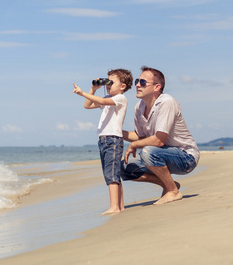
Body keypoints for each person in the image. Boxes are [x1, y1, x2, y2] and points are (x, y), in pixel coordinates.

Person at [121, 66, 199, 205]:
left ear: (157, 87)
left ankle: (173, 191)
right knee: (124, 168)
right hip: (160, 155)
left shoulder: (166, 102)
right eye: (137, 81)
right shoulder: (139, 107)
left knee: (147, 151)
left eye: (143, 82)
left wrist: (134, 145)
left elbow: (158, 140)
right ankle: (170, 184)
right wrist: (117, 132)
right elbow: (140, 136)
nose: (138, 85)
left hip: (185, 157)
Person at [73, 69, 133, 214]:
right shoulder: (108, 97)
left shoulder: (120, 99)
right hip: (104, 139)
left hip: (113, 139)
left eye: (111, 82)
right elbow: (87, 105)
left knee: (111, 175)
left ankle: (114, 207)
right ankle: (120, 206)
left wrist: (82, 93)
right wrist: (93, 89)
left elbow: (102, 101)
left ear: (122, 86)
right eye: (106, 81)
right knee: (114, 173)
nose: (107, 84)